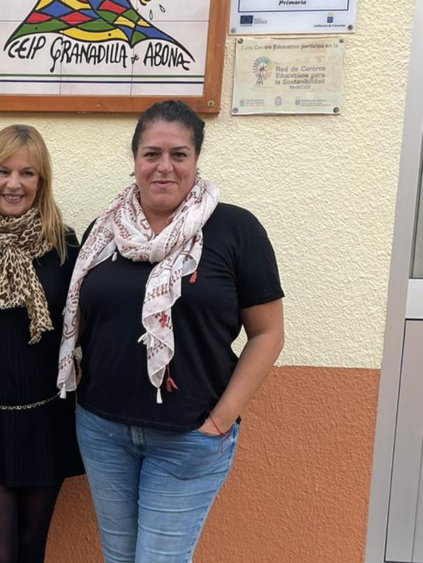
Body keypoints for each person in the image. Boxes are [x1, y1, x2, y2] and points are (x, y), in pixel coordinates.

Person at [57, 100, 286, 563]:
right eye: (151, 153)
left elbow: (267, 334)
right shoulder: (104, 231)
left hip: (189, 436)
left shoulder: (235, 230)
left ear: (196, 159)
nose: (164, 167)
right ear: (135, 159)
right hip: (103, 431)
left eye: (178, 154)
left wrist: (219, 422)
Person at [0, 125, 83, 563]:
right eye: (3, 171)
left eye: (27, 173)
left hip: (47, 416)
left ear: (41, 182)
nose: (13, 183)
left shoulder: (64, 245)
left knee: (31, 550)